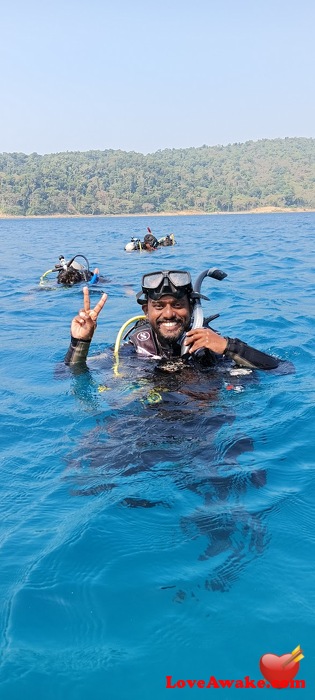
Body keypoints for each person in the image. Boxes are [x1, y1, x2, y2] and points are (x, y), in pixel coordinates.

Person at [65, 269, 281, 371]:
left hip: (204, 421)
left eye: (178, 305)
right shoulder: (137, 347)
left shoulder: (210, 344)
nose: (168, 314)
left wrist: (228, 347)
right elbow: (67, 373)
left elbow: (281, 369)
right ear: (146, 311)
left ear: (192, 308)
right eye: (158, 306)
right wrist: (80, 343)